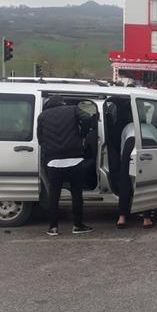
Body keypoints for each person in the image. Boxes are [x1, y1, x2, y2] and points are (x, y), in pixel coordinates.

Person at [37, 96, 97, 236]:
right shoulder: (73, 109)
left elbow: (40, 137)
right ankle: (77, 225)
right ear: (62, 103)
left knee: (54, 195)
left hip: (53, 162)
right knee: (76, 194)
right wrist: (82, 134)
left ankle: (53, 227)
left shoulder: (42, 116)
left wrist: (48, 149)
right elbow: (88, 118)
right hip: (74, 160)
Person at [115, 107, 153, 230]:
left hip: (129, 144)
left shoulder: (128, 126)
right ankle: (146, 219)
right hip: (148, 144)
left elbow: (122, 148)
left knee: (125, 182)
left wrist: (124, 164)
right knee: (145, 183)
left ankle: (122, 217)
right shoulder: (151, 127)